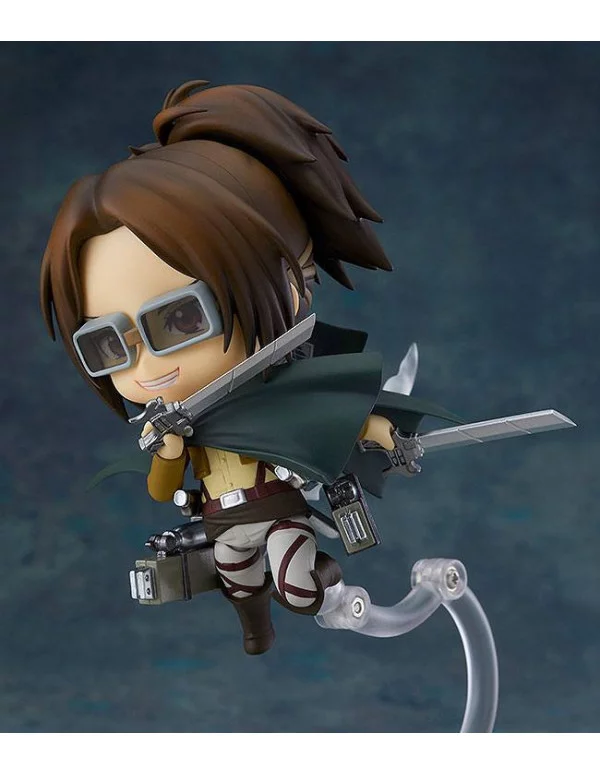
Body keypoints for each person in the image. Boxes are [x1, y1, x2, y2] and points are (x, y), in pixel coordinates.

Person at [40, 80, 459, 655]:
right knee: (240, 581)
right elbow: (163, 490)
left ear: (289, 284)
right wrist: (169, 451)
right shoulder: (179, 423)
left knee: (297, 582)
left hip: (279, 510)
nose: (148, 363)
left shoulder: (280, 396)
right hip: (223, 523)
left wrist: (387, 434)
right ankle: (256, 630)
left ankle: (331, 593)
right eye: (109, 346)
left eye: (180, 319)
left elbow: (337, 419)